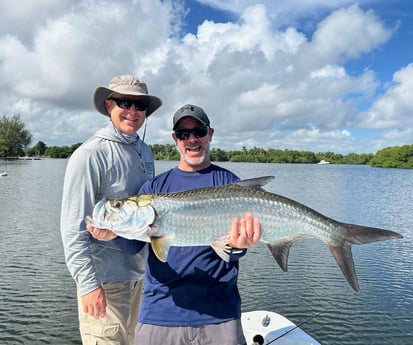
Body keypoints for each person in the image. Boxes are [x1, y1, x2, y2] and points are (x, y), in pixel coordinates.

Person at [90, 104, 261, 345]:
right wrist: (112, 234)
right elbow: (133, 247)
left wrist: (238, 246)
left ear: (209, 134)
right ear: (175, 139)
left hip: (219, 312)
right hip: (160, 313)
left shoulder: (229, 182)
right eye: (183, 134)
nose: (191, 139)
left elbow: (233, 253)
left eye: (198, 131)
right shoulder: (154, 188)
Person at [60, 75, 162, 345]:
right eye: (124, 102)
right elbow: (72, 227)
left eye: (140, 105)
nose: (132, 111)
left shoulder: (146, 151)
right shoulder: (90, 154)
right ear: (108, 106)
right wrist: (88, 284)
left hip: (141, 277)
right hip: (105, 281)